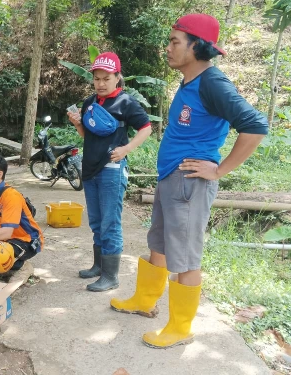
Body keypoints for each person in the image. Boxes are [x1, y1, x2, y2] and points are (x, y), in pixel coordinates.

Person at [110, 14, 268, 348]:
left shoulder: (213, 82)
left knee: (186, 258)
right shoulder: (190, 81)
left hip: (191, 183)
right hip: (172, 177)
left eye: (174, 41)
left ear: (197, 47)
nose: (167, 48)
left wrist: (219, 169)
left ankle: (181, 328)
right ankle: (145, 300)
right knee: (159, 244)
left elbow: (254, 127)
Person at [67, 52, 152, 292]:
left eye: (106, 78)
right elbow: (89, 135)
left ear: (117, 78)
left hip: (112, 171)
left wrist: (126, 148)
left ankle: (111, 276)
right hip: (91, 169)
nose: (101, 83)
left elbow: (146, 128)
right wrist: (77, 124)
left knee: (110, 224)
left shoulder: (126, 103)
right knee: (96, 222)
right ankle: (98, 266)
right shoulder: (90, 103)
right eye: (97, 79)